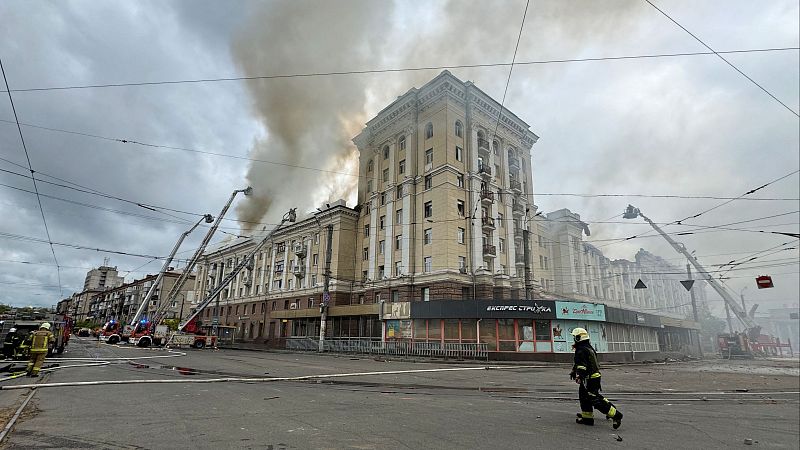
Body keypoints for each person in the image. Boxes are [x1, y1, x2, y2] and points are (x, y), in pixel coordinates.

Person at [569, 327, 623, 428]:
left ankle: (616, 415)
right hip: (591, 377)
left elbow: (582, 365)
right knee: (584, 397)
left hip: (590, 378)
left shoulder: (581, 350)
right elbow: (581, 363)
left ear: (578, 338)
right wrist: (574, 371)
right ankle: (587, 418)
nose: (573, 339)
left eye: (574, 337)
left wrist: (579, 375)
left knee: (594, 399)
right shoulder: (588, 348)